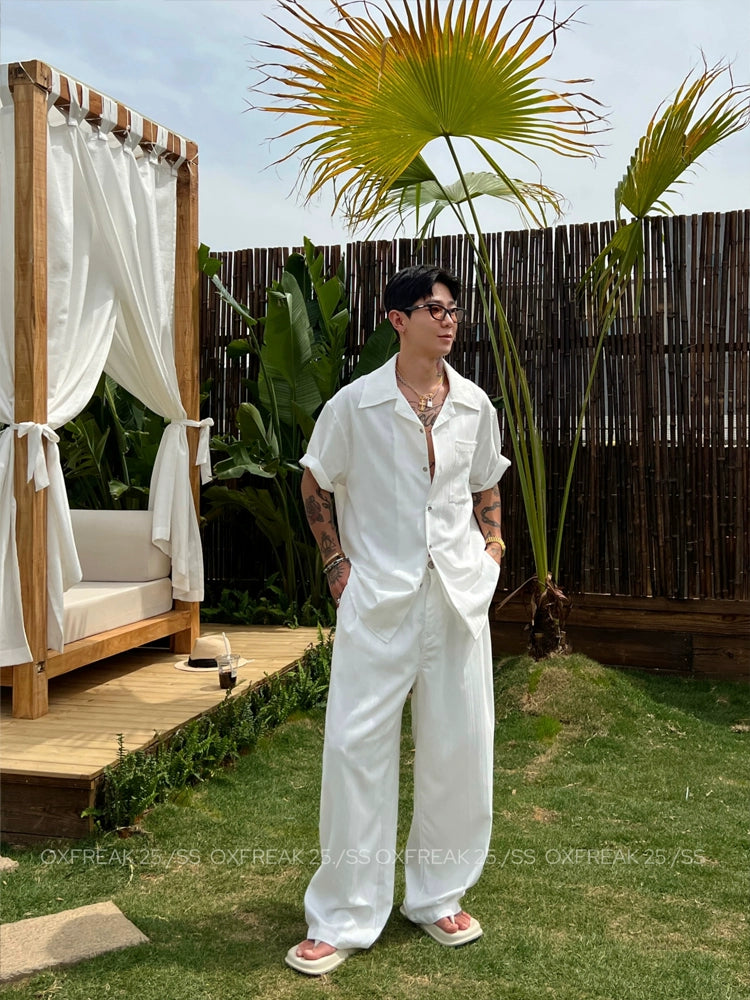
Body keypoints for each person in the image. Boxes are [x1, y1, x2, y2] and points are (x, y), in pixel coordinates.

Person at [285, 264, 510, 976]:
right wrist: (335, 563)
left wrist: (493, 548)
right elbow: (315, 478)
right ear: (397, 320)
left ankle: (438, 895)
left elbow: (486, 482)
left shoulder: (474, 404)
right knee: (355, 749)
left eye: (453, 309)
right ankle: (343, 915)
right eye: (433, 308)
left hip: (457, 601)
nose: (448, 319)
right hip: (378, 600)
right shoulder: (355, 405)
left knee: (459, 749)